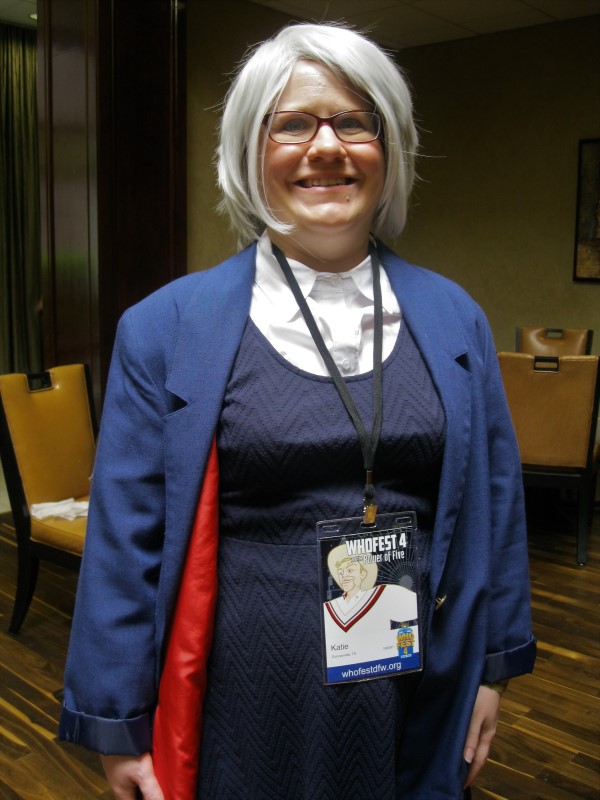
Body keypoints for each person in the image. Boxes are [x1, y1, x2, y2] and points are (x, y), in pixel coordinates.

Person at [59, 22, 536, 800]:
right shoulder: (164, 329)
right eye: (293, 124)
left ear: (390, 148)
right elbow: (125, 539)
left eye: (354, 122)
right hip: (242, 698)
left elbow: (495, 503)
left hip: (418, 687)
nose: (327, 147)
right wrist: (119, 725)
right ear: (250, 152)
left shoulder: (456, 319)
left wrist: (493, 671)